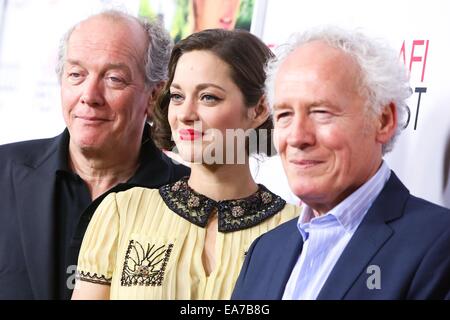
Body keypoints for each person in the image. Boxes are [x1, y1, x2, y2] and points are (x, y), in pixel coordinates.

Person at [71, 28, 300, 300]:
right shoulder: (122, 212)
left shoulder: (298, 229)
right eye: (178, 96)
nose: (185, 114)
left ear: (260, 110)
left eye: (208, 97)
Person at [232, 26, 450, 300]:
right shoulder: (265, 251)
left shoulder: (438, 245)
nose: (297, 137)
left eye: (321, 112)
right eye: (285, 114)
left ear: (383, 121)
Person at [0, 10, 189, 300]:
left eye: (114, 78)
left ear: (154, 95)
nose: (89, 95)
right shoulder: (4, 171)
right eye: (76, 75)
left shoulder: (190, 198)